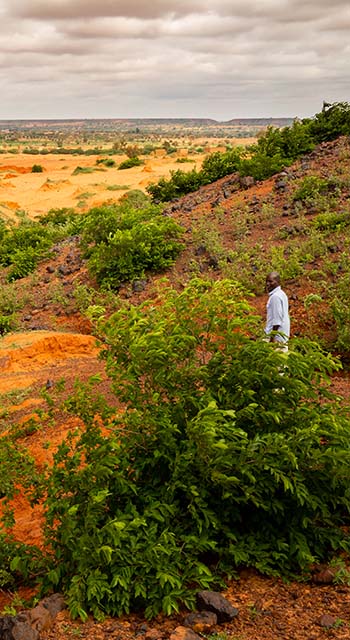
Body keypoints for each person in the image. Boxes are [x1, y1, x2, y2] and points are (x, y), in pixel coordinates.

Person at [265, 271, 290, 347]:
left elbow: (277, 320)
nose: (267, 284)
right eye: (266, 281)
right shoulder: (282, 294)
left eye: (270, 281)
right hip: (283, 335)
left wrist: (272, 339)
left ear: (278, 282)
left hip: (276, 337)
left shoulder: (275, 297)